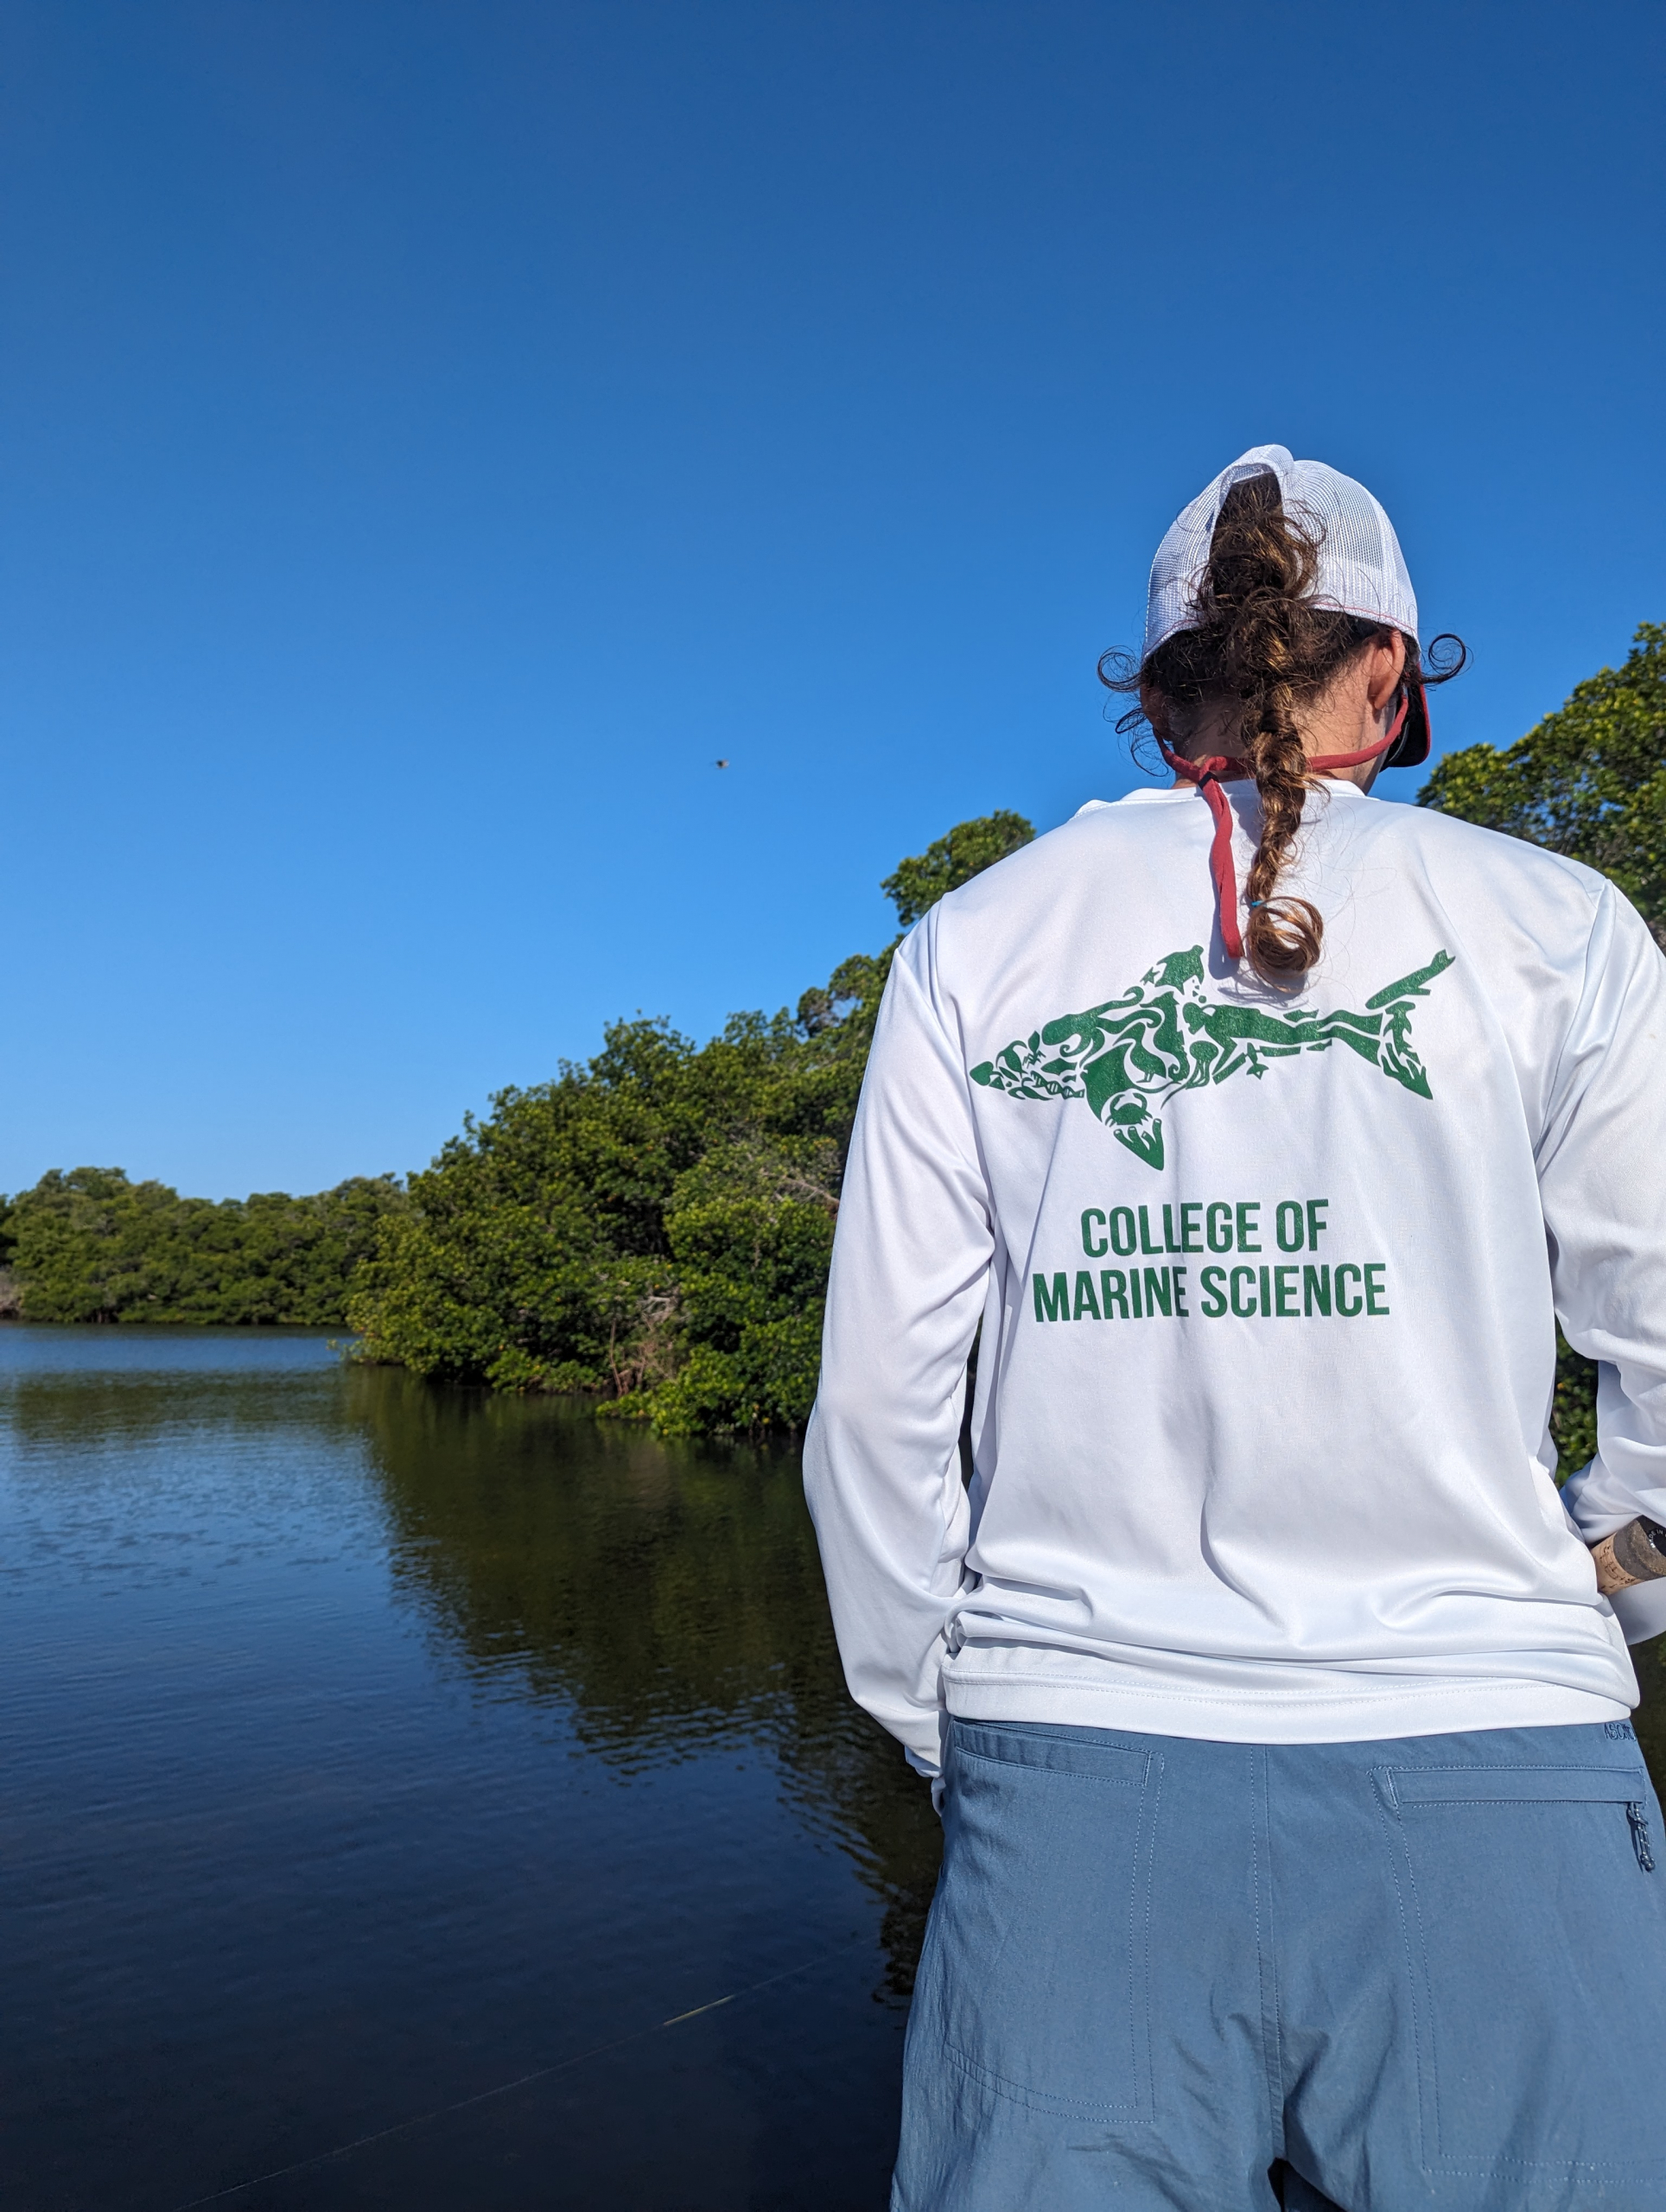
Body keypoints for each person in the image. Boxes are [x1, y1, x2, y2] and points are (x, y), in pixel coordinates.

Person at [803, 446, 1666, 2211]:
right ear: (1394, 675)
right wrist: (1581, 1589)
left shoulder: (972, 943)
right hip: (1499, 1763)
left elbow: (880, 1414)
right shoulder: (1560, 926)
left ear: (1154, 690)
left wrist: (947, 1719)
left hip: (1069, 1773)